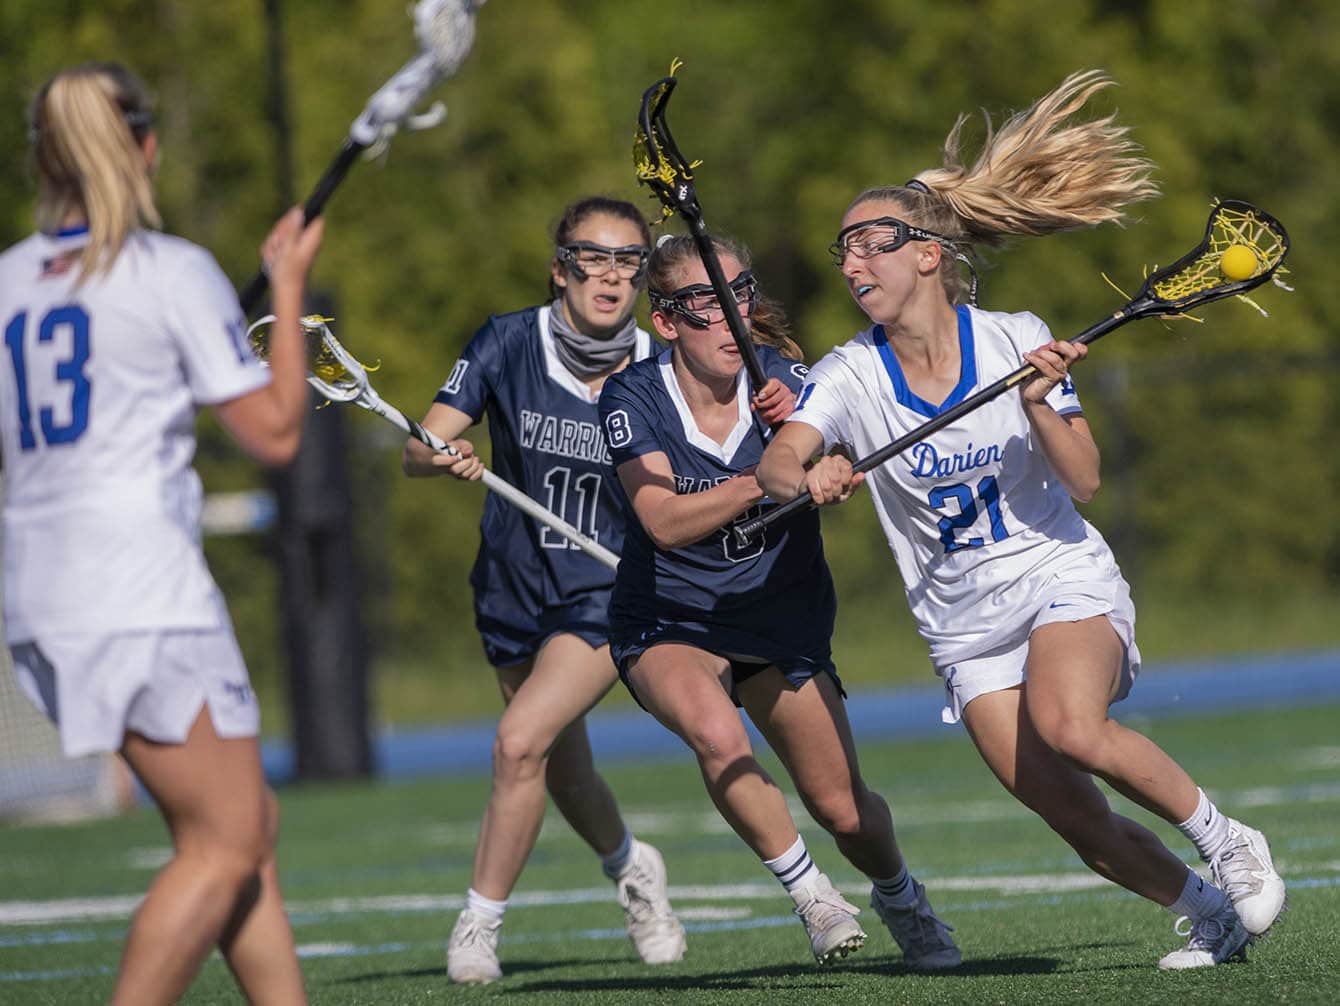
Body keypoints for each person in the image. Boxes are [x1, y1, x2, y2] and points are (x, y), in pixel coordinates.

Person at [756, 69, 1286, 971]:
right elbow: (777, 462)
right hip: (962, 627)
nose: (851, 265)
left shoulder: (1014, 338)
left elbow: (1084, 479)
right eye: (843, 250)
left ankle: (1228, 840)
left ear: (929, 254)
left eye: (872, 244)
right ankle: (1209, 914)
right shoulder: (848, 373)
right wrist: (806, 476)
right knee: (1068, 811)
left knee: (1070, 724)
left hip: (1056, 577)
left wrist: (1041, 404)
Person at [1, 63, 321, 1004]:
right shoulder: (169, 270)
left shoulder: (7, 281)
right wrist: (289, 287)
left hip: (40, 593)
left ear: (43, 160)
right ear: (144, 147)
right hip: (140, 589)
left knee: (243, 825)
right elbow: (277, 431)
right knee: (227, 841)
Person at [596, 233, 960, 971]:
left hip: (779, 615)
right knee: (717, 736)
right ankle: (812, 897)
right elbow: (662, 522)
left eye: (739, 294)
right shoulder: (632, 396)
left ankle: (901, 897)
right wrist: (758, 480)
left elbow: (819, 456)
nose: (731, 316)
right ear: (664, 322)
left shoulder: (790, 384)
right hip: (672, 618)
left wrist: (819, 466)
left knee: (844, 810)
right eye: (705, 303)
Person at [403, 196, 686, 984]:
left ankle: (478, 925)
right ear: (561, 269)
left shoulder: (659, 365)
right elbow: (416, 450)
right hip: (512, 583)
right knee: (561, 768)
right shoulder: (507, 341)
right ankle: (631, 866)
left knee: (519, 743)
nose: (612, 276)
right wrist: (442, 455)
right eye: (593, 257)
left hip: (605, 591)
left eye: (628, 260)